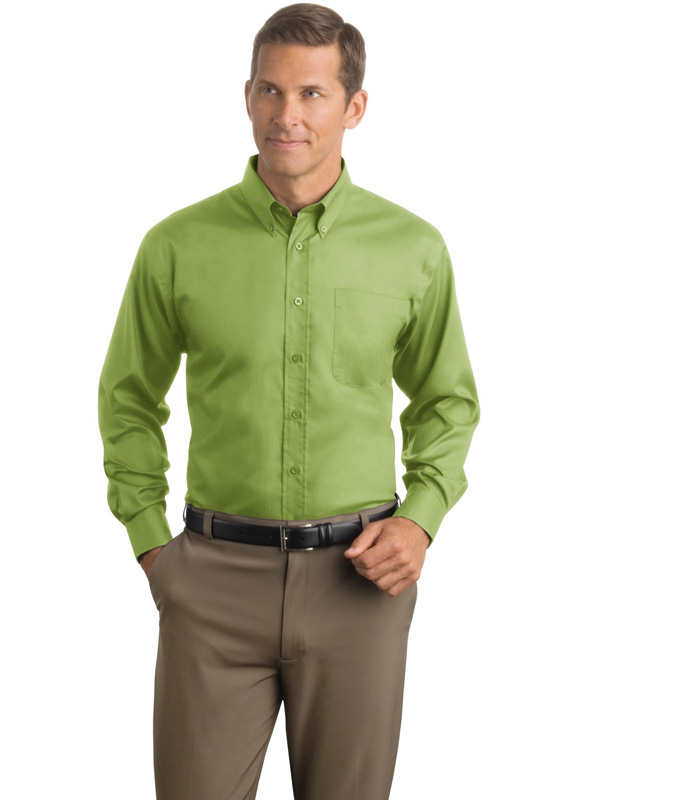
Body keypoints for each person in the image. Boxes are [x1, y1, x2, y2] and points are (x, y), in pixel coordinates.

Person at [97, 3, 480, 798]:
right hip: (210, 582)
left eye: (312, 94)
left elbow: (446, 401)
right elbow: (128, 397)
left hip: (359, 586)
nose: (286, 116)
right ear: (247, 96)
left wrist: (421, 518)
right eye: (270, 90)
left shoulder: (413, 248)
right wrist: (153, 546)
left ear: (355, 106)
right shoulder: (177, 245)